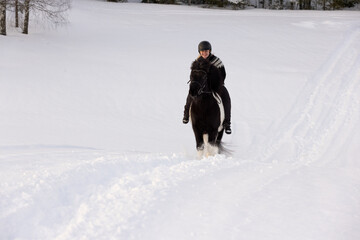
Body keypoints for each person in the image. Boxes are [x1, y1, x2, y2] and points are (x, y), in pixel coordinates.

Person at [183, 41, 232, 134]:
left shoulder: (216, 61)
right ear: (199, 52)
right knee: (190, 94)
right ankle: (186, 114)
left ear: (209, 51)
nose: (204, 53)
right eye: (202, 51)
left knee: (226, 97)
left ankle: (227, 123)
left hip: (215, 86)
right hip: (201, 87)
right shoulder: (197, 62)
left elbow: (223, 74)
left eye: (206, 51)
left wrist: (215, 84)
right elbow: (193, 75)